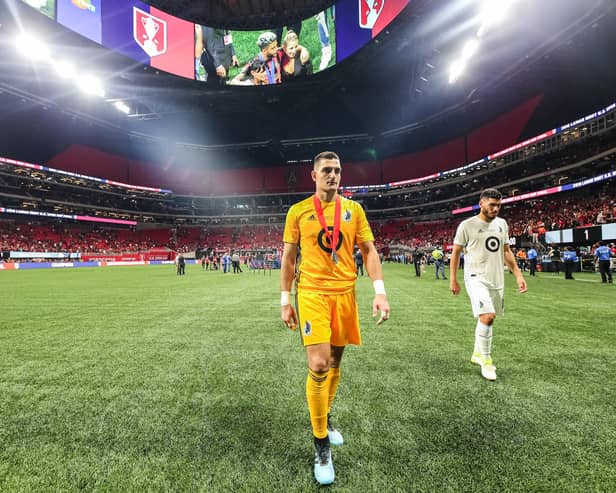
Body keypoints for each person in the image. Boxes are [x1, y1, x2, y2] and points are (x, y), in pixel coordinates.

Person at [280, 151, 390, 485]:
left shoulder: (354, 210)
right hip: (312, 293)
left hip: (345, 294)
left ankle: (325, 419)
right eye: (326, 170)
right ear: (313, 176)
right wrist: (286, 300)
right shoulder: (298, 212)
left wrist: (380, 291)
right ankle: (321, 444)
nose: (333, 175)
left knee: (336, 361)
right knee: (319, 365)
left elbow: (369, 251)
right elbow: (288, 258)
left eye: (337, 170)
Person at [449, 188, 527, 381]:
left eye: (498, 205)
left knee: (487, 318)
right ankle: (486, 361)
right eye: (492, 205)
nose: (496, 209)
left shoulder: (502, 224)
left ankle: (476, 352)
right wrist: (453, 279)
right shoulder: (467, 225)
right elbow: (456, 253)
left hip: (496, 279)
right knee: (488, 316)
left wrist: (517, 274)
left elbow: (506, 251)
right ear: (481, 204)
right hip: (475, 277)